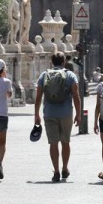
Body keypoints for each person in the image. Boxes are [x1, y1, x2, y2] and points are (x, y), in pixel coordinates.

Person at [34, 52, 81, 182]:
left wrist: (36, 114)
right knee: (66, 141)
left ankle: (56, 171)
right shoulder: (70, 75)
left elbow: (38, 97)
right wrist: (78, 114)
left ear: (52, 62)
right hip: (66, 113)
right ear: (64, 61)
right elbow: (76, 96)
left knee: (53, 143)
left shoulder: (44, 75)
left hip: (49, 113)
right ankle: (65, 168)